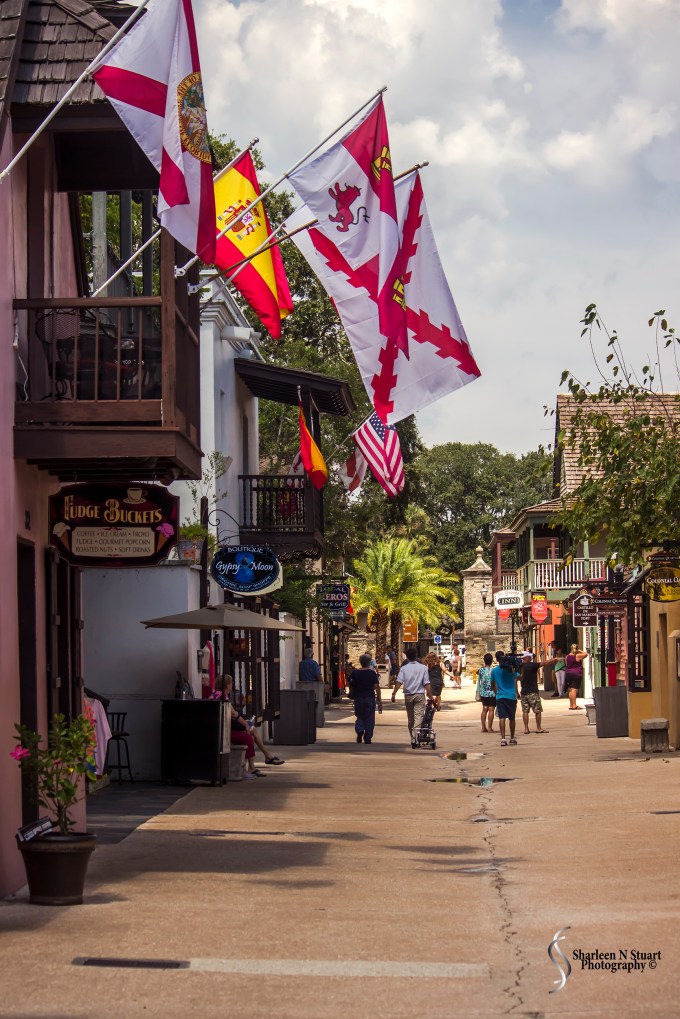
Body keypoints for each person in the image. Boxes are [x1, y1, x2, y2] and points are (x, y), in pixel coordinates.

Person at [224, 676, 284, 773]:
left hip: (227, 728)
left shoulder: (222, 696)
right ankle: (264, 759)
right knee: (250, 733)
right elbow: (234, 715)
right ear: (227, 684)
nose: (232, 685)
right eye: (231, 683)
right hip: (226, 730)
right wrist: (246, 725)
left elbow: (234, 713)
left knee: (251, 733)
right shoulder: (223, 697)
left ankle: (257, 763)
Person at [391, 649, 432, 744]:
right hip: (419, 695)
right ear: (416, 655)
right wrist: (430, 695)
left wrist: (394, 693)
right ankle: (415, 737)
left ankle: (413, 737)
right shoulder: (423, 668)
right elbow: (426, 683)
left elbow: (399, 681)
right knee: (418, 717)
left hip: (408, 696)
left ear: (407, 657)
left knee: (410, 719)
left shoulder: (404, 669)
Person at [348, 653, 382, 744]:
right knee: (369, 718)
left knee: (360, 715)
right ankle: (368, 738)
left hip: (358, 697)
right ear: (369, 662)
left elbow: (350, 684)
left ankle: (359, 729)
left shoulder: (355, 673)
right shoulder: (372, 673)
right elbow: (376, 686)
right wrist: (379, 699)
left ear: (360, 662)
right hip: (369, 697)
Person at [491, 650, 520, 746]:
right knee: (512, 718)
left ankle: (503, 738)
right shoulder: (511, 669)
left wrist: (496, 693)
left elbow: (492, 684)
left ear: (496, 659)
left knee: (502, 717)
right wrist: (519, 667)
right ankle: (512, 738)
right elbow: (520, 677)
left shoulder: (494, 671)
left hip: (500, 696)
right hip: (511, 696)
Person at [517, 652, 549, 734]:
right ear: (526, 658)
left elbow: (516, 679)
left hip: (524, 692)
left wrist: (517, 692)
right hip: (533, 691)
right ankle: (538, 728)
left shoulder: (519, 667)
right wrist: (554, 660)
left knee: (525, 711)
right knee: (537, 711)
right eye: (528, 656)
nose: (530, 657)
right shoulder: (532, 665)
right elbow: (544, 663)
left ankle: (526, 729)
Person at [476, 653, 496, 733]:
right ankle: (490, 727)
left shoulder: (481, 670)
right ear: (491, 661)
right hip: (492, 692)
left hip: (483, 692)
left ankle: (483, 727)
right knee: (491, 709)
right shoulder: (493, 670)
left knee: (484, 709)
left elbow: (477, 673)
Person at [565, 644, 589, 710]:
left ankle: (571, 705)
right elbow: (586, 654)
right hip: (576, 673)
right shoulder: (577, 656)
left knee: (570, 689)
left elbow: (567, 664)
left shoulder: (567, 656)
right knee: (574, 689)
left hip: (568, 673)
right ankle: (574, 705)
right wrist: (579, 650)